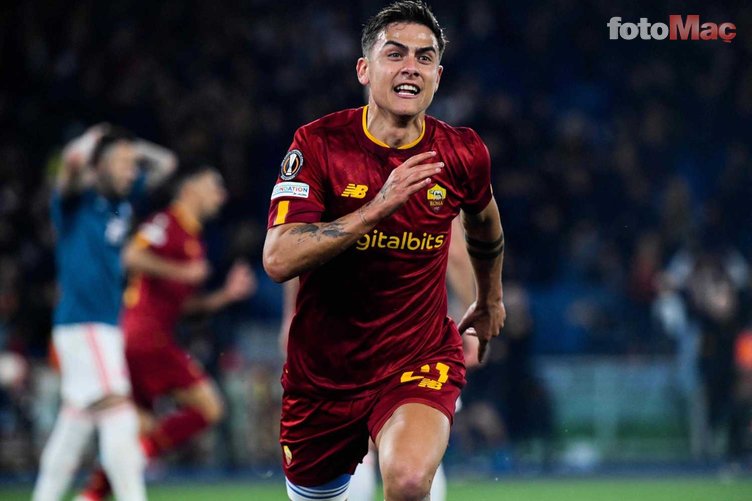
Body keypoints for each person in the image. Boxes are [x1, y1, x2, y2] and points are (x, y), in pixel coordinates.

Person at [263, 2, 506, 500]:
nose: (410, 67)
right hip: (324, 375)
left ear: (437, 77)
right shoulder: (318, 144)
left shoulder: (461, 152)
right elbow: (279, 258)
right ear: (364, 69)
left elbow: (484, 223)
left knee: (410, 479)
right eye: (395, 54)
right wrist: (377, 207)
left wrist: (489, 298)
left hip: (417, 356)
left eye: (424, 57)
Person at [77, 164, 255, 500]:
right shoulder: (166, 222)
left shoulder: (192, 237)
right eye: (213, 186)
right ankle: (138, 457)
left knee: (138, 427)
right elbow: (130, 255)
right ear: (189, 189)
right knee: (210, 406)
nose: (221, 195)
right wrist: (183, 272)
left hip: (146, 337)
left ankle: (92, 494)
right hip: (144, 338)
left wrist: (225, 296)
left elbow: (184, 307)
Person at [278, 217, 479, 501]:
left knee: (359, 450)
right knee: (414, 454)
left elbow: (298, 243)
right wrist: (471, 320)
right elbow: (456, 252)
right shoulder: (430, 187)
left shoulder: (330, 191)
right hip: (412, 336)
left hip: (339, 337)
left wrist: (291, 314)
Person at [33, 124, 176, 501]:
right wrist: (93, 140)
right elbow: (70, 163)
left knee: (76, 421)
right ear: (98, 167)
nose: (132, 171)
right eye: (123, 164)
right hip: (85, 324)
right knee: (118, 409)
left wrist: (129, 147)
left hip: (102, 325)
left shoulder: (120, 203)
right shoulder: (73, 202)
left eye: (133, 164)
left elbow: (166, 163)